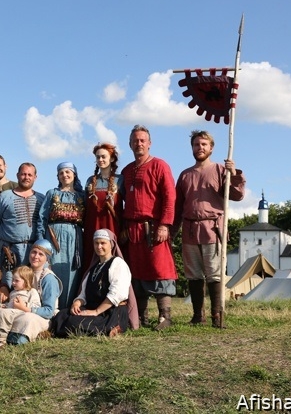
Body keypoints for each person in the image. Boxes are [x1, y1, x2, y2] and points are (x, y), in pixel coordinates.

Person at [170, 130, 246, 327]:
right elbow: (178, 207)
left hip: (213, 229)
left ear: (211, 148)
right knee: (193, 274)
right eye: (196, 144)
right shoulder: (185, 175)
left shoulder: (221, 170)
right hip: (189, 229)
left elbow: (237, 195)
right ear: (192, 148)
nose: (200, 148)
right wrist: (172, 232)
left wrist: (234, 173)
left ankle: (217, 316)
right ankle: (198, 316)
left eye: (204, 144)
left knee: (214, 273)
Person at [122, 125, 177, 330]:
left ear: (149, 143)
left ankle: (165, 316)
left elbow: (170, 197)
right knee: (137, 271)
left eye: (142, 140)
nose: (139, 144)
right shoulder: (127, 171)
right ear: (130, 144)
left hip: (154, 228)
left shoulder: (160, 165)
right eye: (135, 141)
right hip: (133, 230)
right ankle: (141, 317)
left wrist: (165, 224)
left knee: (160, 269)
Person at [52, 229, 131, 338]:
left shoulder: (118, 264)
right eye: (96, 243)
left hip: (111, 312)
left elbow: (117, 294)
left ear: (111, 244)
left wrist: (96, 311)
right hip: (93, 308)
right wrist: (77, 303)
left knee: (75, 323)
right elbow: (83, 294)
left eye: (103, 243)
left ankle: (113, 328)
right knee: (61, 315)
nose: (99, 246)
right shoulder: (94, 267)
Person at [38, 162, 85, 309]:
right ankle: (50, 308)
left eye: (68, 172)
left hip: (74, 237)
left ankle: (67, 309)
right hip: (53, 235)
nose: (65, 175)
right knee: (52, 269)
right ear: (58, 176)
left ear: (74, 174)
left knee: (72, 271)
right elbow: (42, 217)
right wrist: (40, 241)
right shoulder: (52, 194)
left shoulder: (82, 196)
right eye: (61, 173)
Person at [0, 162, 44, 286]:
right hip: (10, 250)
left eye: (30, 174)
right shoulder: (4, 197)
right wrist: (6, 240)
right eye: (23, 174)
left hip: (33, 251)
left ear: (35, 177)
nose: (26, 177)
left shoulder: (41, 199)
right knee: (7, 286)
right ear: (17, 175)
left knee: (30, 286)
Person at [83, 143, 125, 272]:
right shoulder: (90, 181)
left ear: (111, 159)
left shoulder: (120, 180)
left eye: (103, 156)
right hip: (92, 227)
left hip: (113, 227)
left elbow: (128, 205)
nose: (100, 159)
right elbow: (85, 206)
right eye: (98, 157)